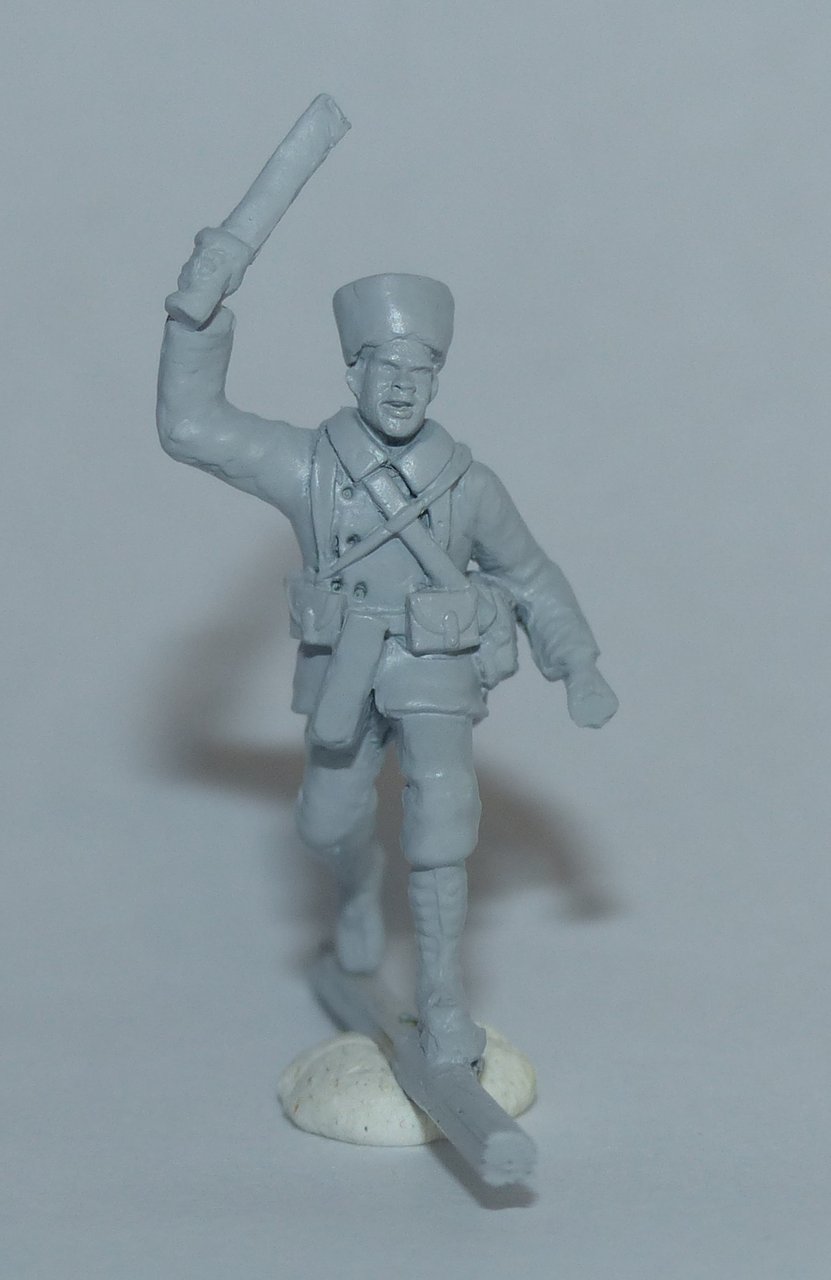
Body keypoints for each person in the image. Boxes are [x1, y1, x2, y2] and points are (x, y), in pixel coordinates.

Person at [157, 258, 618, 1067]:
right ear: (353, 373)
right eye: (387, 366)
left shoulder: (467, 485)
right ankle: (355, 883)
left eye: (421, 369)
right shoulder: (308, 466)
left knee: (443, 818)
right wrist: (195, 320)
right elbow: (191, 427)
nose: (403, 386)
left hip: (432, 663)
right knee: (324, 822)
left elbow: (528, 574)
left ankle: (442, 999)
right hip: (343, 664)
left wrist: (575, 662)